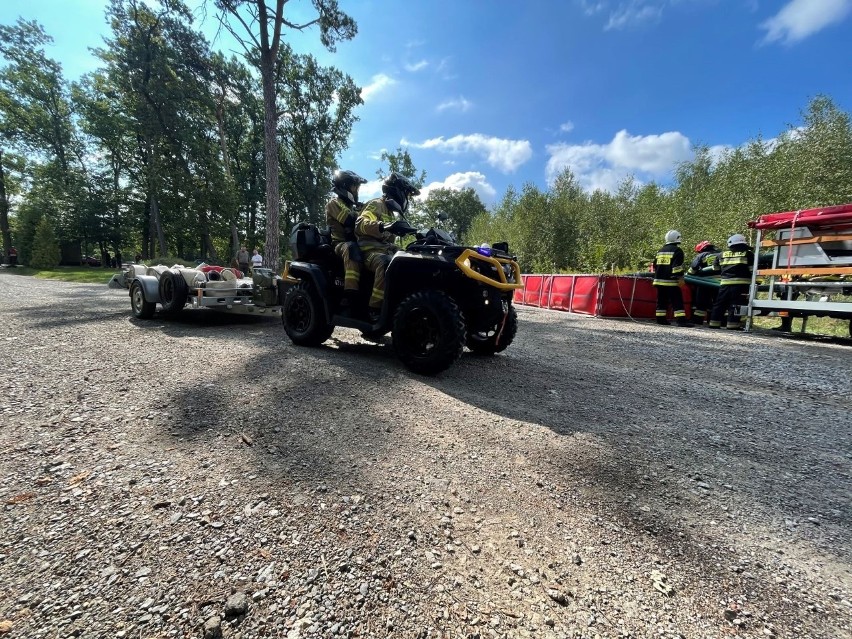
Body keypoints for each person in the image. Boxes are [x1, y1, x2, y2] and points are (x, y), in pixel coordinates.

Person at [355, 172, 420, 322]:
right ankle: (375, 309)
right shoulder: (376, 204)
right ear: (397, 191)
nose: (407, 199)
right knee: (386, 264)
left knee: (409, 258)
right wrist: (383, 226)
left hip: (384, 249)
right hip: (368, 251)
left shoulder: (391, 212)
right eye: (407, 194)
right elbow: (360, 225)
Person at [326, 169, 367, 312]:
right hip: (339, 244)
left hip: (356, 241)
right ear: (345, 186)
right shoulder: (334, 203)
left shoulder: (352, 206)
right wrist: (361, 213)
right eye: (355, 186)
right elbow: (349, 221)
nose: (357, 190)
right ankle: (350, 294)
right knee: (351, 249)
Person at [709, 233, 754, 330]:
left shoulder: (721, 254)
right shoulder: (748, 254)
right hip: (741, 284)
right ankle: (732, 325)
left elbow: (714, 268)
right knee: (736, 304)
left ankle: (714, 323)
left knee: (720, 303)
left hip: (725, 283)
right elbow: (752, 270)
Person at [652, 230, 693, 327]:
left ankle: (661, 319)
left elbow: (655, 265)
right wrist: (680, 277)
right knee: (677, 301)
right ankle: (681, 321)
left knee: (661, 301)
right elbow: (676, 267)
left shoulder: (661, 250)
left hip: (659, 281)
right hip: (671, 282)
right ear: (677, 238)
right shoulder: (677, 250)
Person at [686, 240, 720, 325]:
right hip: (720, 283)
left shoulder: (701, 255)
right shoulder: (720, 254)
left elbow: (693, 268)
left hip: (704, 282)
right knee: (718, 302)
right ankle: (717, 321)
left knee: (701, 303)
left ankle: (698, 320)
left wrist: (689, 274)